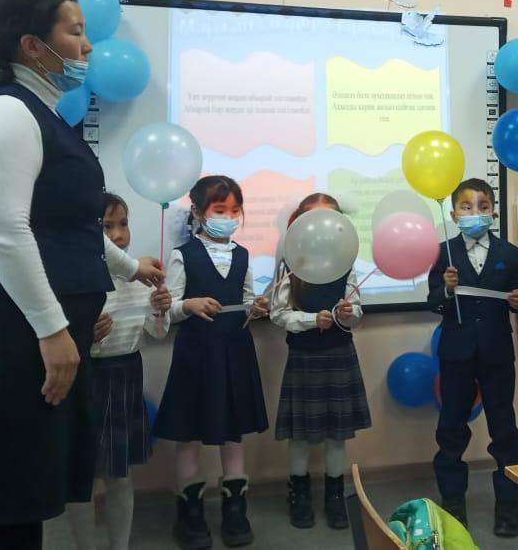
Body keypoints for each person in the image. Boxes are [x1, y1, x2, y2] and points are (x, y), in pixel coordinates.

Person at [0, 0, 164, 550]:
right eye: (75, 32)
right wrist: (53, 330)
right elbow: (4, 234)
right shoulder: (5, 112)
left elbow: (71, 225)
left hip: (38, 332)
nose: (88, 47)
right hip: (12, 336)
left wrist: (130, 268)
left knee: (25, 503)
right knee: (13, 508)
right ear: (33, 45)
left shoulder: (45, 114)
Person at [153, 175, 270, 549]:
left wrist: (257, 308)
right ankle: (190, 514)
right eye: (220, 210)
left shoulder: (243, 255)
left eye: (235, 210)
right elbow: (168, 308)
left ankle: (235, 512)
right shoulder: (182, 254)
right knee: (189, 434)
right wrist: (187, 305)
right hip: (196, 356)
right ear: (199, 212)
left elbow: (247, 301)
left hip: (236, 353)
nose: (229, 217)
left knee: (232, 433)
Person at [66, 193, 173, 550]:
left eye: (123, 224)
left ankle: (119, 546)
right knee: (81, 478)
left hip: (126, 376)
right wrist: (86, 336)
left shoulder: (139, 277)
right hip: (87, 379)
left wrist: (161, 309)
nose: (117, 234)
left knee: (120, 476)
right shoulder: (76, 279)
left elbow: (156, 333)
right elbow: (59, 339)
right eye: (106, 226)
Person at [427, 179, 518, 537]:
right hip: (456, 353)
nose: (475, 212)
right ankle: (453, 501)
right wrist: (446, 289)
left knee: (504, 427)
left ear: (493, 211)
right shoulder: (442, 252)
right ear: (454, 214)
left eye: (483, 206)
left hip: (496, 351)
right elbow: (433, 302)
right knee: (451, 428)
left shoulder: (508, 253)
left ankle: (508, 503)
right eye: (467, 207)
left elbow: (517, 297)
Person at [269, 193, 371, 531]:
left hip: (339, 354)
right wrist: (312, 320)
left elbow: (357, 314)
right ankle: (298, 495)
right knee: (299, 436)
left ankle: (335, 496)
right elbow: (278, 314)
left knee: (336, 435)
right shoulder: (290, 264)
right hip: (304, 356)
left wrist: (348, 314)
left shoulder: (346, 262)